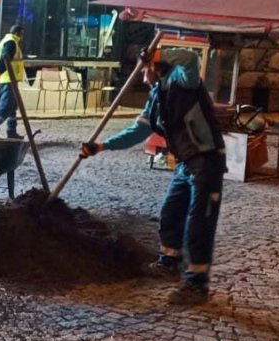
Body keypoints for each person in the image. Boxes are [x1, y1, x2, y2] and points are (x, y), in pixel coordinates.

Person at [79, 48, 226, 305]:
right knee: (170, 212)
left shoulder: (183, 81)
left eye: (144, 69)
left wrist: (158, 54)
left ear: (156, 67)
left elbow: (191, 59)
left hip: (207, 160)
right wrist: (101, 147)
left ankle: (196, 284)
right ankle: (168, 263)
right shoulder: (157, 97)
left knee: (198, 223)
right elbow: (138, 131)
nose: (142, 75)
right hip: (185, 164)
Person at [0, 24, 26, 138]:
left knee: (12, 107)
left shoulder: (9, 41)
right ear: (18, 33)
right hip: (8, 79)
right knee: (6, 106)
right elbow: (5, 57)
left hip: (10, 79)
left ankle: (11, 131)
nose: (23, 37)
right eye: (22, 34)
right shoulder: (11, 42)